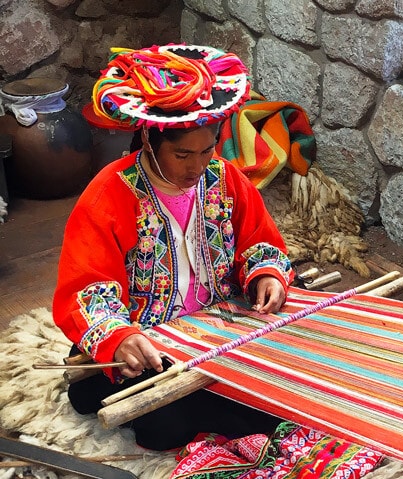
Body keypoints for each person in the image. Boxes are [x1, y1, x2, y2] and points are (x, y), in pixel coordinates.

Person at [52, 44, 295, 450]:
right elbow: (87, 285)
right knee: (161, 425)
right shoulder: (110, 194)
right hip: (150, 339)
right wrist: (121, 338)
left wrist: (266, 274)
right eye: (182, 154)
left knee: (293, 355)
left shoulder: (225, 178)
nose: (196, 167)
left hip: (222, 324)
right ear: (149, 141)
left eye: (207, 150)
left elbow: (260, 240)